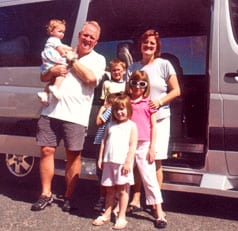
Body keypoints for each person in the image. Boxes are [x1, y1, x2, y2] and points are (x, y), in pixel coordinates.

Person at [31, 21, 106, 212]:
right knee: (47, 150)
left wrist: (72, 60)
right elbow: (44, 76)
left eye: (92, 37)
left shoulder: (98, 59)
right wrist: (53, 71)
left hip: (75, 116)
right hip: (51, 112)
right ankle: (45, 194)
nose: (87, 39)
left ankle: (68, 197)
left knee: (73, 156)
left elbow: (90, 79)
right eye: (85, 35)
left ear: (96, 41)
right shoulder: (62, 50)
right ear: (79, 34)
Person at [126, 29, 181, 215]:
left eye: (152, 43)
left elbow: (176, 91)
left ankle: (155, 203)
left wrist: (158, 102)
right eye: (145, 42)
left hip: (160, 118)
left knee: (154, 160)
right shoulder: (133, 68)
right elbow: (127, 94)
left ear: (157, 47)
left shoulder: (164, 64)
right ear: (140, 45)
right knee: (137, 158)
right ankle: (136, 196)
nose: (148, 45)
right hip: (137, 121)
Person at [126, 70, 167, 228]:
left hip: (144, 145)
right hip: (128, 144)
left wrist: (152, 147)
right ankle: (117, 208)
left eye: (142, 84)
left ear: (146, 86)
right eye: (134, 83)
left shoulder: (148, 103)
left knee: (150, 180)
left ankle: (159, 212)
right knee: (124, 177)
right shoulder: (126, 102)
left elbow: (154, 126)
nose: (137, 86)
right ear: (130, 84)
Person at [92, 94, 138, 230]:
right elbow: (104, 142)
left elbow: (132, 145)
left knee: (123, 191)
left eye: (122, 109)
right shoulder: (110, 125)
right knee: (110, 190)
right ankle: (106, 214)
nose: (119, 112)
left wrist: (128, 162)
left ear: (129, 109)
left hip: (122, 164)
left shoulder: (132, 126)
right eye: (116, 110)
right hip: (108, 162)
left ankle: (121, 216)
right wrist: (101, 158)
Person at [37, 19, 74, 104]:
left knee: (52, 80)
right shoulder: (54, 40)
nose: (62, 34)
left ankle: (45, 93)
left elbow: (62, 45)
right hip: (52, 62)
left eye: (63, 32)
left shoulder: (52, 40)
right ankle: (56, 88)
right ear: (51, 31)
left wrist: (70, 48)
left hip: (48, 64)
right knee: (62, 73)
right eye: (59, 31)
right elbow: (60, 48)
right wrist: (65, 53)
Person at [93, 93, 117, 212]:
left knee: (102, 172)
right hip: (108, 142)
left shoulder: (109, 109)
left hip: (101, 142)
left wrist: (102, 109)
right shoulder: (115, 110)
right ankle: (110, 199)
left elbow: (98, 122)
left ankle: (103, 198)